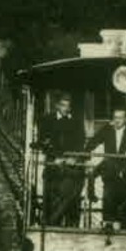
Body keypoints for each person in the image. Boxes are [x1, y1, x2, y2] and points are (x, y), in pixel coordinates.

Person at [86, 107, 126, 229]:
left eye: (120, 118)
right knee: (106, 191)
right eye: (115, 117)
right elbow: (94, 141)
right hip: (110, 168)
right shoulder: (107, 129)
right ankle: (107, 222)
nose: (117, 120)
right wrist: (85, 154)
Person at [36, 92, 86, 226]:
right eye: (63, 105)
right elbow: (42, 142)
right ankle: (51, 223)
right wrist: (54, 157)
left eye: (68, 106)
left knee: (75, 184)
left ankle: (71, 225)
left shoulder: (76, 121)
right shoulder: (46, 120)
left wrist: (74, 158)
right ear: (57, 105)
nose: (65, 109)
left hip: (71, 164)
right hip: (53, 163)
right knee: (52, 189)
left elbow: (80, 142)